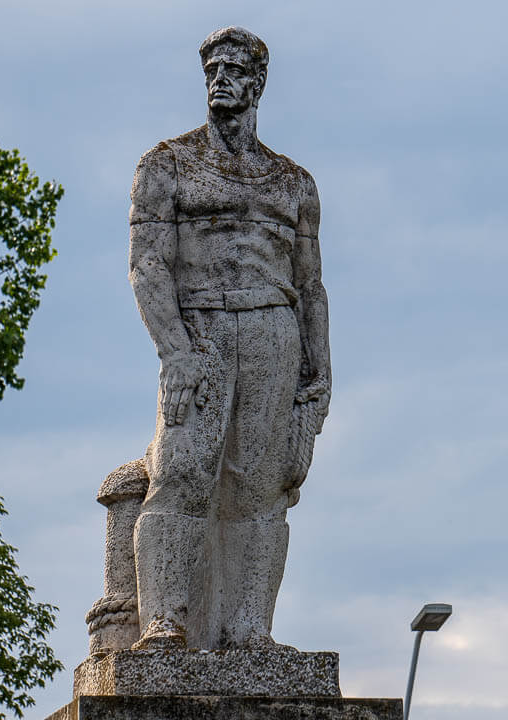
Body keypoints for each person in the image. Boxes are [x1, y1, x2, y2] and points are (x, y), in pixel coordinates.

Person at [128, 26, 331, 651]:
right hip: (203, 328)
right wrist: (175, 350)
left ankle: (249, 631)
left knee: (261, 486)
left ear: (258, 82)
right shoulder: (167, 163)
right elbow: (148, 265)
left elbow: (311, 283)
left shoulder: (293, 182)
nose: (222, 78)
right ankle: (165, 622)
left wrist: (319, 370)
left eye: (236, 69)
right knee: (181, 472)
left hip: (274, 331)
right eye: (214, 68)